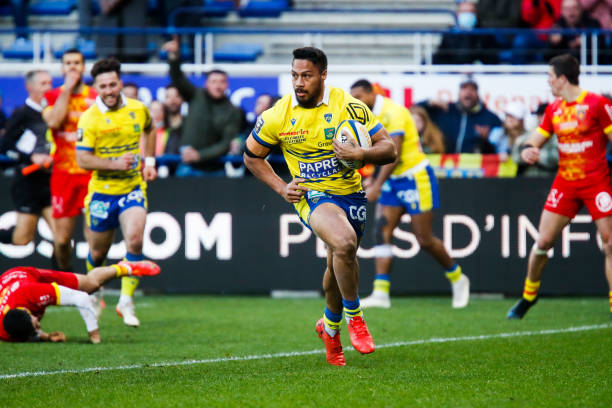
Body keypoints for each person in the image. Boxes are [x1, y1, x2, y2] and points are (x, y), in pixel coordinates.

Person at [243, 47, 397, 366]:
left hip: (351, 194)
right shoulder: (277, 115)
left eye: (307, 76)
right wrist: (281, 186)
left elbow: (389, 148)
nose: (299, 83)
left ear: (323, 75)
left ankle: (329, 328)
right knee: (343, 243)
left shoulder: (348, 106)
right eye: (295, 76)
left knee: (337, 264)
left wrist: (361, 156)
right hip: (311, 196)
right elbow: (251, 156)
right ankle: (355, 318)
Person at [507, 54, 612, 319]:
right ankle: (529, 296)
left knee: (610, 242)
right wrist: (529, 150)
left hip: (596, 181)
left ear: (563, 79)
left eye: (550, 77)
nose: (548, 82)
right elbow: (536, 139)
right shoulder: (554, 110)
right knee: (542, 241)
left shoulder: (597, 104)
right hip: (566, 182)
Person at [350, 79, 470, 310]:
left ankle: (458, 278)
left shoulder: (393, 112)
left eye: (359, 97)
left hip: (415, 177)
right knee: (381, 232)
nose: (355, 102)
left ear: (371, 94)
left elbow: (392, 154)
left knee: (424, 239)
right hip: (391, 181)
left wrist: (375, 184)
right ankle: (381, 293)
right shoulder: (361, 116)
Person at [76, 57, 157, 327]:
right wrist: (114, 164)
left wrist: (150, 162)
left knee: (134, 240)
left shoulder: (138, 109)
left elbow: (150, 129)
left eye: (113, 84)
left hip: (132, 187)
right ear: (96, 88)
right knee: (98, 253)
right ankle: (94, 292)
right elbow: (82, 160)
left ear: (120, 83)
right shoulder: (89, 119)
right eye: (103, 86)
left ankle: (126, 300)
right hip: (101, 192)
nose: (109, 90)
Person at [0, 260, 160, 343]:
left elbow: (81, 298)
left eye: (36, 325)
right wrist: (46, 336)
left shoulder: (32, 293)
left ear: (28, 311)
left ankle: (126, 268)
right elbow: (29, 332)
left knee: (90, 285)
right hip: (8, 287)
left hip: (23, 275)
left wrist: (94, 334)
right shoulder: (5, 332)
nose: (39, 327)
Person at [43, 48, 96, 272]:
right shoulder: (52, 96)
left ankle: (94, 287)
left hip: (91, 173)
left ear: (84, 67)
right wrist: (66, 90)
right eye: (68, 63)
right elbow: (54, 122)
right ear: (62, 68)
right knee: (62, 240)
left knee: (94, 239)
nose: (73, 67)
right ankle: (67, 278)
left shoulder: (95, 96)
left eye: (76, 63)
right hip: (63, 175)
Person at [162, 37, 242, 177]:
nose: (217, 85)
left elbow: (226, 143)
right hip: (187, 167)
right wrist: (174, 58)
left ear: (227, 85)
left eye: (221, 82)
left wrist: (199, 155)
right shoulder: (196, 95)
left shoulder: (233, 111)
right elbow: (178, 78)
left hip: (215, 170)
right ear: (206, 84)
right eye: (213, 81)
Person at [0, 70, 53, 248]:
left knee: (62, 238)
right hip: (28, 182)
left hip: (52, 181)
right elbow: (5, 147)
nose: (48, 88)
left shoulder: (54, 112)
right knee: (22, 239)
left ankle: (63, 276)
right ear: (29, 87)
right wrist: (30, 157)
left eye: (50, 83)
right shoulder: (22, 114)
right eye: (43, 84)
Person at [417, 77, 502, 154]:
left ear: (477, 94)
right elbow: (414, 111)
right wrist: (429, 102)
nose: (468, 92)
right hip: (443, 167)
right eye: (464, 88)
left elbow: (502, 144)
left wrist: (487, 139)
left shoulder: (490, 117)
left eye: (472, 89)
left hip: (473, 169)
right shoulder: (445, 110)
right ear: (458, 92)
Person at [432, 1, 499, 65]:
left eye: (471, 12)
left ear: (476, 14)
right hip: (455, 74)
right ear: (457, 14)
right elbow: (440, 58)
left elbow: (492, 58)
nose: (467, 14)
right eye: (463, 12)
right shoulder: (449, 35)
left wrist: (476, 66)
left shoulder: (485, 35)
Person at [512, 102, 559, 177]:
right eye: (538, 115)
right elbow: (515, 157)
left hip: (550, 178)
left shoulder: (559, 135)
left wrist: (537, 156)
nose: (539, 118)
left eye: (542, 115)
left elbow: (558, 158)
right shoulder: (528, 134)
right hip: (529, 178)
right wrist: (526, 155)